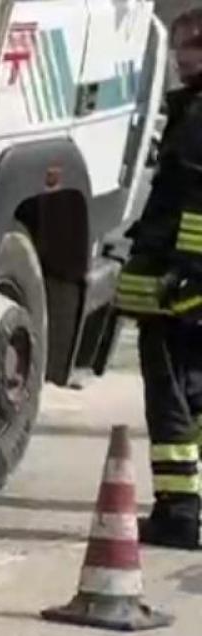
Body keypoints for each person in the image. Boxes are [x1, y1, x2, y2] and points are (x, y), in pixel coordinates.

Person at [117, 8, 202, 548]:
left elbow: (194, 206)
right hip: (179, 286)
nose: (178, 57)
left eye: (190, 47)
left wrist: (187, 276)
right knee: (192, 398)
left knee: (174, 400)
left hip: (178, 293)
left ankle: (178, 512)